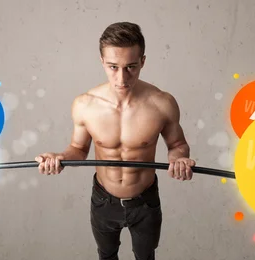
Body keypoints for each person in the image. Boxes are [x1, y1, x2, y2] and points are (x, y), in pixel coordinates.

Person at [35, 22, 195, 260]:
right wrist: (60, 157)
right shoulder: (85, 105)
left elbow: (177, 145)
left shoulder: (162, 103)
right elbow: (78, 149)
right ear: (102, 61)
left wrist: (180, 160)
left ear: (143, 61)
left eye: (131, 67)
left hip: (145, 202)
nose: (122, 78)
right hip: (103, 200)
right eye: (113, 67)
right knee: (106, 256)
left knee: (146, 257)